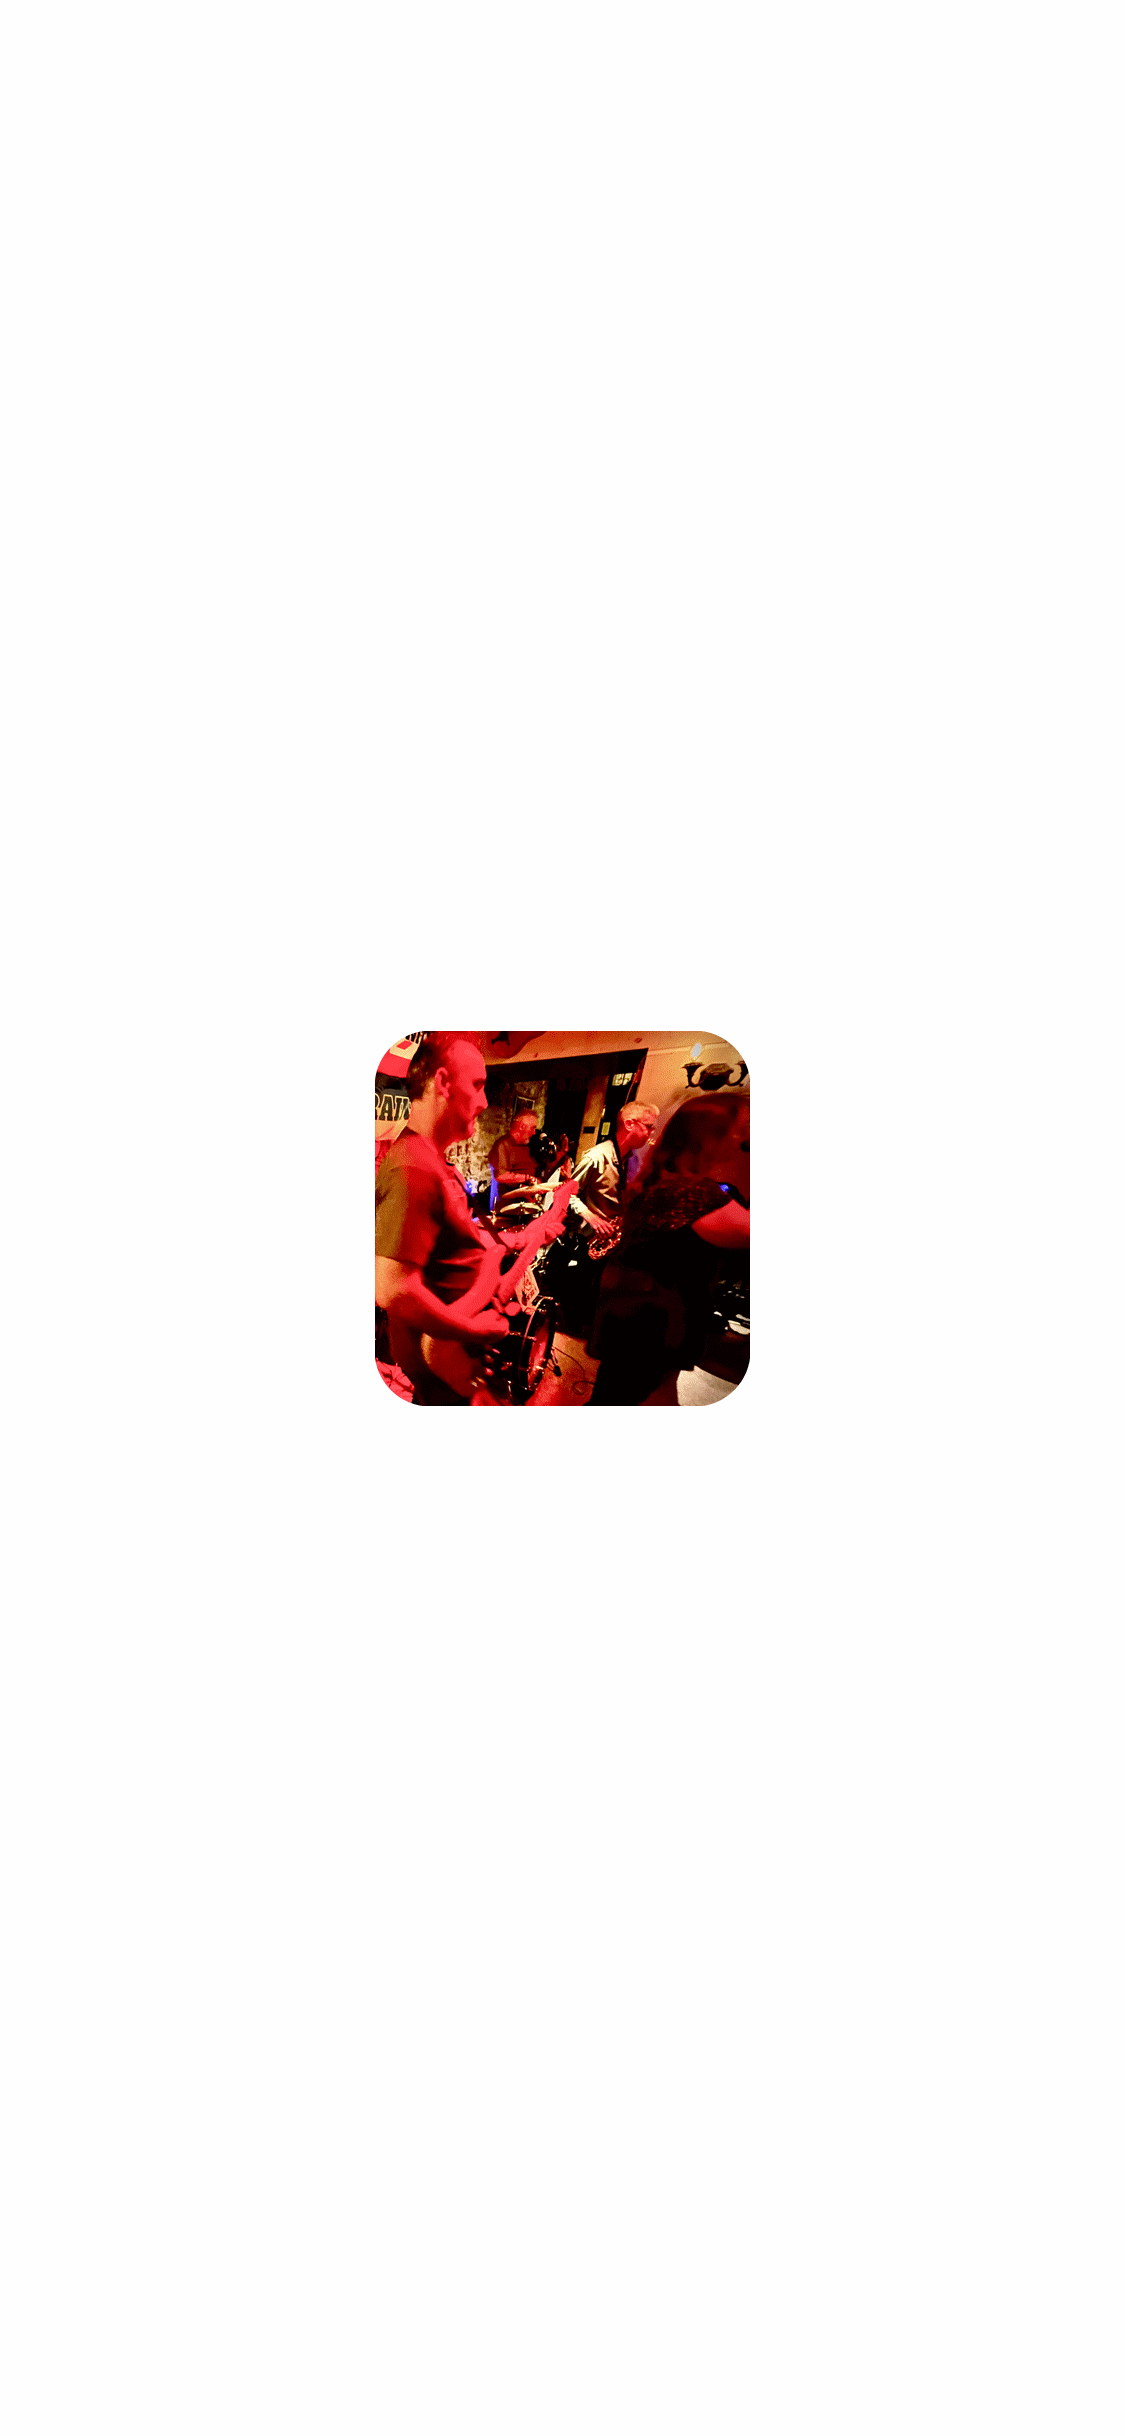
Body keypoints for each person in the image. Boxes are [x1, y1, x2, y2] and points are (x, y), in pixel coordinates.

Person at [587, 1089, 750, 1405]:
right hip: (648, 1325)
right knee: (618, 1398)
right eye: (741, 1131)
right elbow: (573, 1192)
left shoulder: (656, 1173)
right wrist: (591, 1218)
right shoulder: (689, 1192)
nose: (744, 1139)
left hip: (643, 1314)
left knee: (633, 1394)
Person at [374, 1033, 513, 1405]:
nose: (484, 1101)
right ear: (443, 1082)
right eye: (478, 1085)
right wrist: (473, 1330)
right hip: (442, 1367)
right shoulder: (414, 1166)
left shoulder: (430, 1160)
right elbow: (393, 1289)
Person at [558, 1101, 659, 1334]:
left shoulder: (633, 1159)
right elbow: (565, 1194)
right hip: (590, 1238)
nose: (651, 1133)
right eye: (648, 1126)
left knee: (601, 1290)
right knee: (581, 1289)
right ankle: (573, 1327)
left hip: (614, 1236)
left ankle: (589, 1325)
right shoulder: (596, 1156)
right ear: (630, 1124)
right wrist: (590, 1216)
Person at [489, 1108, 550, 1222]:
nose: (534, 1132)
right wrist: (527, 1178)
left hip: (524, 1206)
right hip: (507, 1211)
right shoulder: (503, 1145)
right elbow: (500, 1175)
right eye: (532, 1128)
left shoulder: (526, 1146)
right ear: (522, 1127)